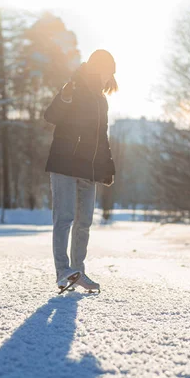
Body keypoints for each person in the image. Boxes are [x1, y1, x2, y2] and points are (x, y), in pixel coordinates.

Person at [44, 49, 118, 292]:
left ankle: (78, 270)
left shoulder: (101, 100)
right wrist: (64, 97)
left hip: (89, 167)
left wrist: (107, 166)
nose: (111, 77)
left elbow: (102, 137)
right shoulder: (74, 86)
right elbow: (51, 115)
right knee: (64, 217)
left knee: (84, 220)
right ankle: (63, 271)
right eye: (110, 71)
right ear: (100, 68)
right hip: (65, 163)